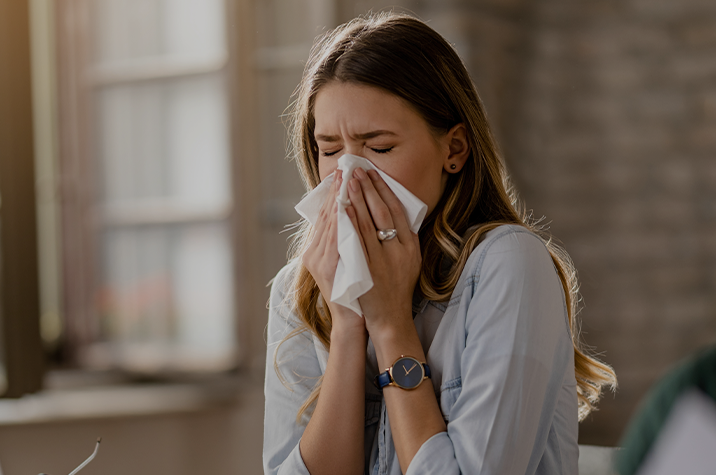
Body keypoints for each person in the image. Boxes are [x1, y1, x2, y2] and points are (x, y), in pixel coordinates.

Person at [263, 12, 617, 475]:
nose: (349, 177)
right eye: (329, 150)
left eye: (379, 147)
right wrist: (349, 322)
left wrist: (390, 325)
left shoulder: (507, 265)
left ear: (453, 150)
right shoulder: (301, 290)